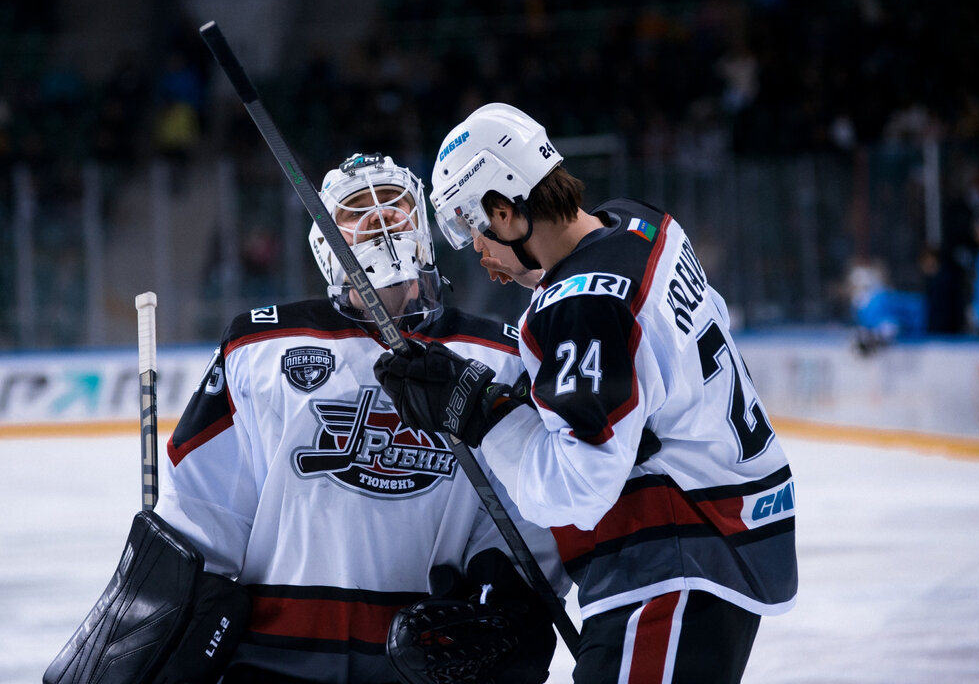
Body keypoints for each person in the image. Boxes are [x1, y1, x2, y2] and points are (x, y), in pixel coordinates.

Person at [375, 104, 798, 683]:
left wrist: (477, 413)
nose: (478, 252)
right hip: (718, 531)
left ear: (505, 211)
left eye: (476, 231)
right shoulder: (640, 223)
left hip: (676, 560)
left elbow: (578, 489)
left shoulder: (580, 304)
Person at [150, 153, 568, 683]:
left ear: (425, 228)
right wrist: (166, 608)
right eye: (355, 209)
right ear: (325, 242)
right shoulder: (259, 346)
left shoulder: (499, 356)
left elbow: (525, 518)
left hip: (423, 665)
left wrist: (503, 608)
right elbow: (203, 511)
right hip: (272, 662)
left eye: (395, 205)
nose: (380, 216)